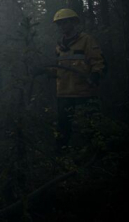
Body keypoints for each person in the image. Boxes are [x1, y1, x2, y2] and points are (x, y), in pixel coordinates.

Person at [49, 8, 105, 151]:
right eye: (59, 24)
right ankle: (62, 155)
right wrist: (46, 72)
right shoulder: (59, 45)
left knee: (90, 125)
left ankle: (95, 153)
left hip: (84, 92)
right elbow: (57, 67)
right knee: (63, 126)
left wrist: (96, 74)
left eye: (65, 22)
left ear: (73, 22)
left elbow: (97, 60)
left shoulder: (86, 40)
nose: (62, 26)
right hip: (64, 93)